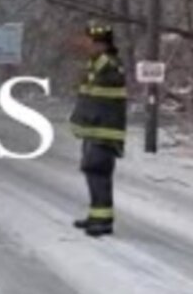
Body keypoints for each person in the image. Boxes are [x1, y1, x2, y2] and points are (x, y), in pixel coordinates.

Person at [70, 23, 127, 237]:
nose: (86, 46)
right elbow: (87, 97)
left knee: (97, 173)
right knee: (93, 174)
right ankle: (97, 216)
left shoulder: (107, 66)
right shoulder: (96, 64)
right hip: (95, 131)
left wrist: (84, 120)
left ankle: (102, 221)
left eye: (89, 42)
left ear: (100, 43)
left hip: (103, 132)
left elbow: (97, 101)